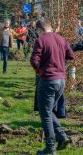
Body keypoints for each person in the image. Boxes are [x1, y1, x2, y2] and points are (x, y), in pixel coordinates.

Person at [30, 18, 75, 155]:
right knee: (49, 111)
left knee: (45, 114)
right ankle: (61, 136)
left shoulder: (41, 40)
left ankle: (50, 148)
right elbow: (71, 55)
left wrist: (39, 70)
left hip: (48, 80)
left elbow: (34, 60)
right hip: (61, 80)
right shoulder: (61, 39)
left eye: (36, 31)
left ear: (39, 30)